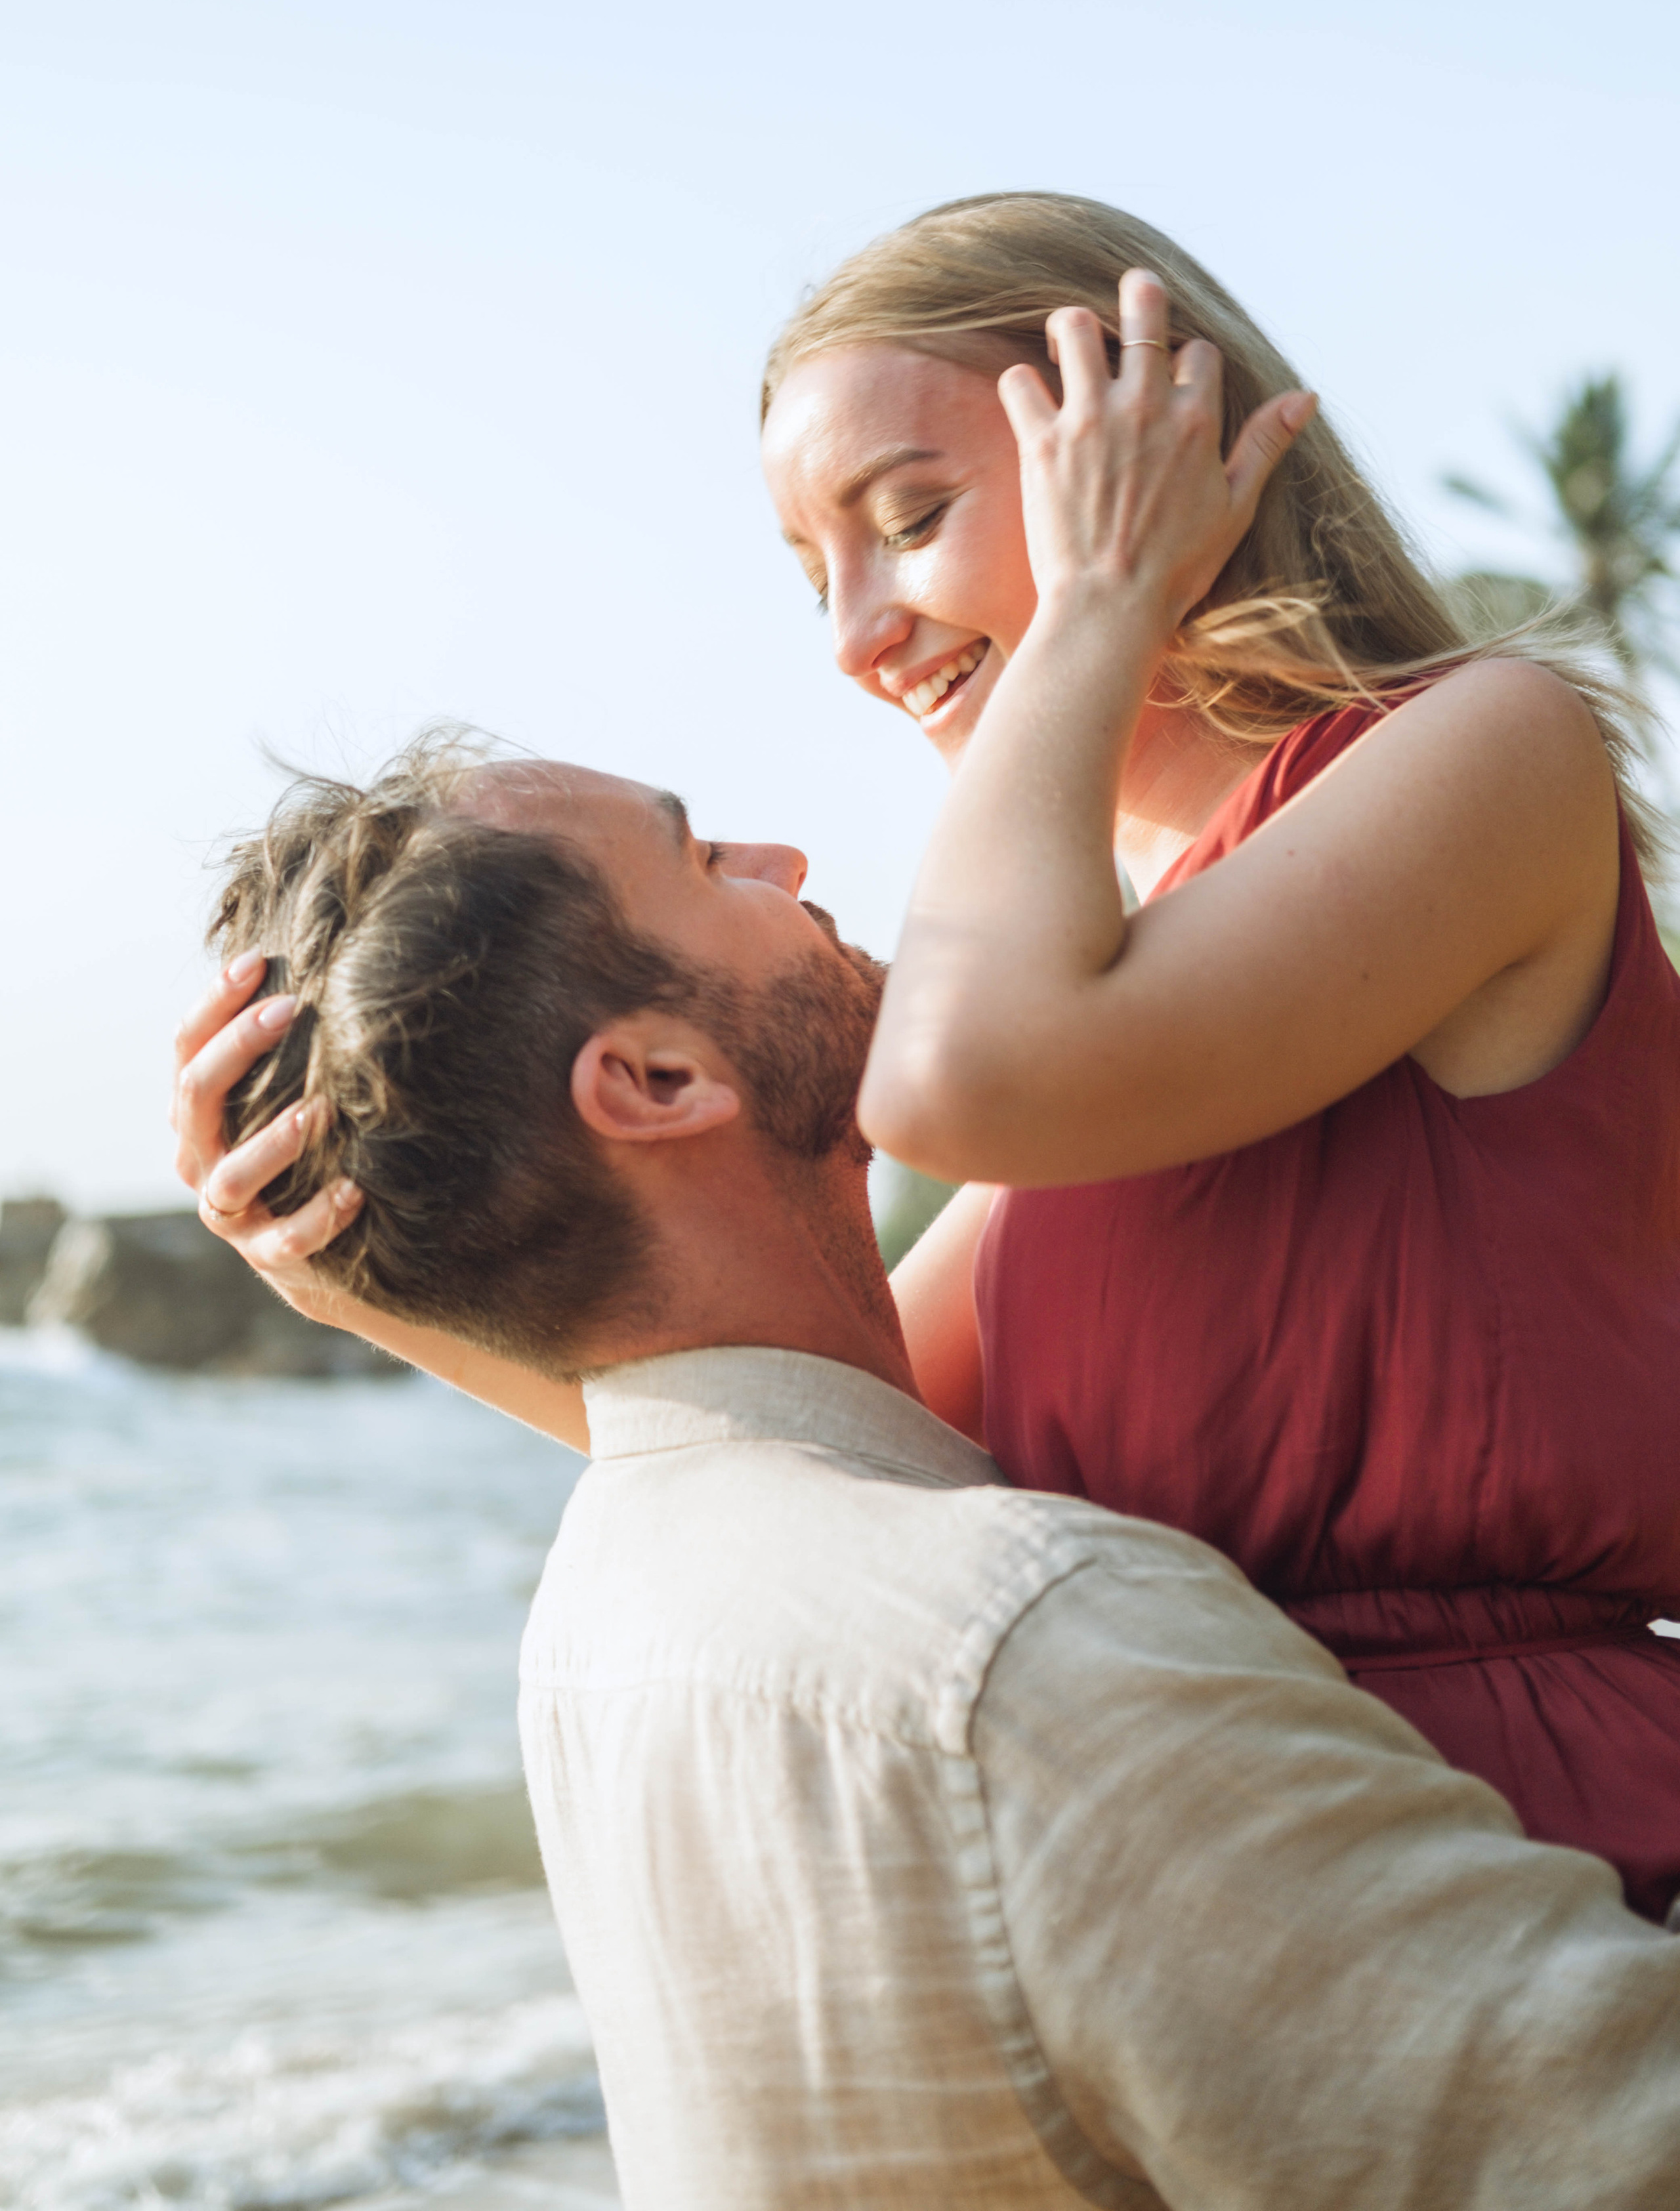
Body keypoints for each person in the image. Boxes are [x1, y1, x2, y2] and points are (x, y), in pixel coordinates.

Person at [169, 736, 1680, 2210]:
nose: (788, 862)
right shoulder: (1029, 1644)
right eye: (707, 861)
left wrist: (358, 1290)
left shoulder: (600, 1614)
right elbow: (1615, 2138)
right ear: (651, 1076)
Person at [760, 191, 1680, 1923]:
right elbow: (812, 1428)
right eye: (819, 574)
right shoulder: (1127, 993)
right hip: (1226, 1903)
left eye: (910, 517)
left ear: (1151, 442)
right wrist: (375, 1273)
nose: (855, 635)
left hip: (1531, 1905)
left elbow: (950, 1083)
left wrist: (1106, 600)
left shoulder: (1489, 749)